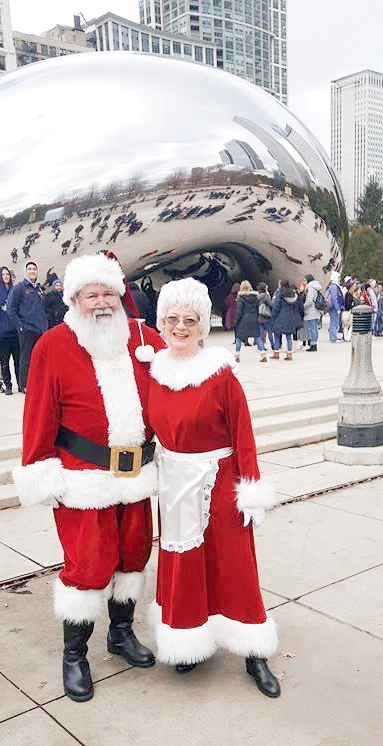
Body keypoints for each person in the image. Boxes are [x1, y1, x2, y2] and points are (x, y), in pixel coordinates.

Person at [12, 254, 163, 703]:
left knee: (133, 556)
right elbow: (38, 414)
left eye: (107, 293)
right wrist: (41, 469)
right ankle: (74, 656)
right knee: (89, 566)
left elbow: (176, 377)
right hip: (83, 481)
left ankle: (120, 635)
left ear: (120, 295)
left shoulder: (141, 337)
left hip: (136, 477)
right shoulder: (53, 346)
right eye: (90, 293)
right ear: (74, 299)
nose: (100, 302)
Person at [147, 277, 280, 698]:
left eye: (189, 320)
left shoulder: (221, 375)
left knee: (234, 565)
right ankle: (188, 640)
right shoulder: (155, 372)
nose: (180, 327)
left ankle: (253, 651)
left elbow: (244, 434)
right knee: (185, 565)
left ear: (203, 326)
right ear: (162, 323)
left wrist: (250, 488)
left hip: (219, 483)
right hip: (172, 485)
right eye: (172, 319)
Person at [6, 260, 48, 392]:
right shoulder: (19, 288)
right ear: (25, 271)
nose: (32, 271)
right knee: (26, 358)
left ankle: (38, 382)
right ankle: (24, 385)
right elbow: (10, 309)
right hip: (27, 330)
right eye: (29, 269)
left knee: (41, 359)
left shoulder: (38, 289)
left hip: (41, 329)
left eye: (34, 269)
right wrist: (20, 326)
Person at [0, 266, 19, 395]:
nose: (6, 276)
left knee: (19, 362)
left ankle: (22, 384)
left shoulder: (16, 291)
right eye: (3, 274)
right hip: (3, 334)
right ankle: (7, 385)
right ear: (0, 277)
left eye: (8, 274)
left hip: (16, 333)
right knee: (4, 363)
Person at [234, 279, 266, 361]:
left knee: (239, 338)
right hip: (254, 318)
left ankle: (237, 356)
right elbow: (257, 309)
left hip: (244, 320)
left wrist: (236, 321)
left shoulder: (241, 299)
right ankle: (263, 354)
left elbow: (239, 311)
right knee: (257, 337)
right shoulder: (255, 298)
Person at [271, 280, 302, 360]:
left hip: (280, 317)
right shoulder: (293, 295)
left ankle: (276, 353)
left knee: (277, 335)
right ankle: (289, 355)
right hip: (290, 317)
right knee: (289, 337)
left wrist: (273, 317)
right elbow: (296, 307)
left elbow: (276, 307)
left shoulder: (280, 294)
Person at [302, 273, 323, 351]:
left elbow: (309, 301)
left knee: (312, 328)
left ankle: (313, 345)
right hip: (316, 310)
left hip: (311, 310)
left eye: (304, 280)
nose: (304, 281)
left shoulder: (310, 288)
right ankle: (314, 343)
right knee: (314, 328)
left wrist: (303, 306)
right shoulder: (316, 287)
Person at [326, 271, 344, 342]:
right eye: (338, 278)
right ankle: (333, 338)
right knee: (334, 322)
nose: (339, 279)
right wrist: (338, 309)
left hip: (333, 307)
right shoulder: (334, 287)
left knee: (334, 322)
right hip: (334, 308)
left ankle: (333, 336)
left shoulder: (333, 286)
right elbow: (334, 298)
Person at [256, 281, 274, 352]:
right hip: (266, 317)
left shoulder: (257, 297)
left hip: (259, 317)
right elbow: (271, 305)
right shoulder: (266, 296)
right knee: (269, 332)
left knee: (260, 333)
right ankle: (273, 345)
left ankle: (261, 346)